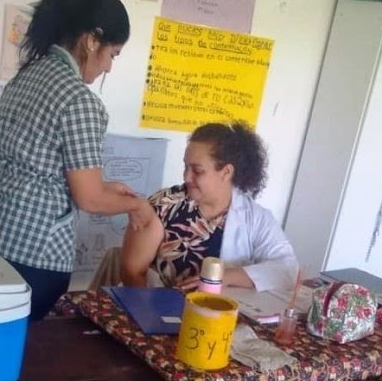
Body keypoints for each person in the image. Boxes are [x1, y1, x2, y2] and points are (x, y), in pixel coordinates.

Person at [0, 0, 153, 381]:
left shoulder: (29, 76)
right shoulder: (78, 100)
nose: (109, 67)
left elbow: (53, 169)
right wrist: (136, 208)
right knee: (15, 351)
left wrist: (113, 189)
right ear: (91, 40)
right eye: (112, 54)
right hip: (33, 249)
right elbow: (87, 197)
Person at [121, 121, 298, 292]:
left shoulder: (255, 217)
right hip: (158, 306)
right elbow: (132, 272)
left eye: (197, 171)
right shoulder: (164, 205)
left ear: (226, 172)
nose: (187, 177)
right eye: (185, 167)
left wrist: (225, 277)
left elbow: (288, 269)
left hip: (222, 309)